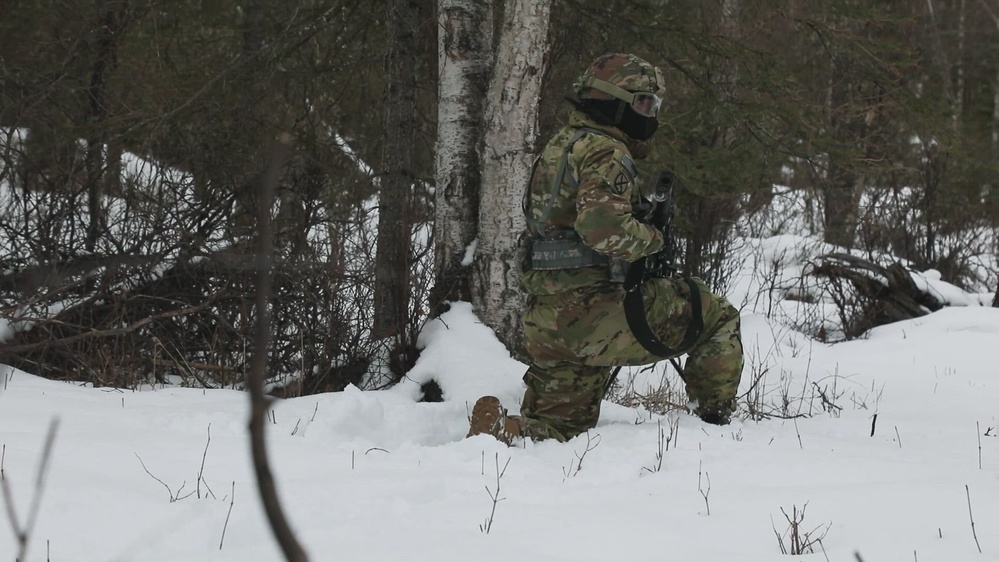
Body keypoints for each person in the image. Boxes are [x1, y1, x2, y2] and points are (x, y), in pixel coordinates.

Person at [467, 53, 744, 444]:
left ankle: (502, 432)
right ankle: (714, 425)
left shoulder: (560, 146)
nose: (651, 115)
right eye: (644, 103)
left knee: (559, 431)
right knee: (715, 314)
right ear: (614, 101)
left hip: (548, 322)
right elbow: (601, 229)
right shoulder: (605, 151)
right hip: (596, 317)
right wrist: (655, 239)